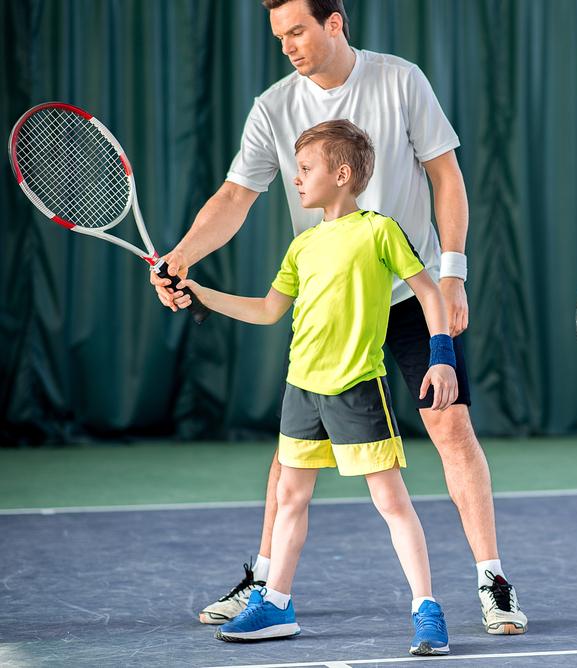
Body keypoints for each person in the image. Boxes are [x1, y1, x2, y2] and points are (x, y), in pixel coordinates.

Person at [151, 0, 526, 635]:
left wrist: (453, 275)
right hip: (331, 307)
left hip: (409, 295)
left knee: (451, 428)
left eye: (297, 29)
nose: (288, 45)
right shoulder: (274, 105)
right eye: (278, 36)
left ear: (335, 22)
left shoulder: (400, 79)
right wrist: (182, 258)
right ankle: (267, 582)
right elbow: (236, 196)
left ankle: (493, 581)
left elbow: (447, 177)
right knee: (288, 455)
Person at [176, 119, 455, 655]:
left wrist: (440, 359)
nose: (297, 179)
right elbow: (266, 310)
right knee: (289, 496)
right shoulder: (301, 245)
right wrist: (199, 291)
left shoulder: (380, 231)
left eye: (306, 169)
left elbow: (428, 292)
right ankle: (277, 604)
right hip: (301, 390)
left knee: (391, 501)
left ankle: (426, 610)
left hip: (357, 387)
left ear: (342, 174)